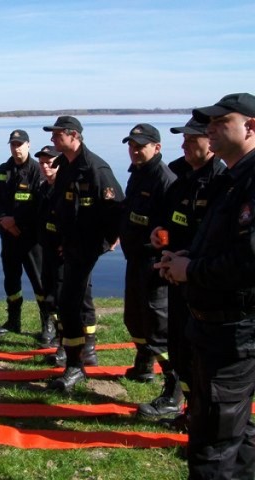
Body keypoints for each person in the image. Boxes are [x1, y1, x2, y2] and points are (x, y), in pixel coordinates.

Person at [157, 93, 255, 479]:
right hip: (213, 325)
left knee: (210, 446)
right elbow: (221, 242)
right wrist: (182, 257)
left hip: (234, 330)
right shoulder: (232, 177)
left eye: (220, 122)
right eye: (208, 124)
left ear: (250, 126)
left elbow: (249, 262)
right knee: (237, 432)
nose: (209, 130)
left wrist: (190, 270)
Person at [137, 118, 224, 424]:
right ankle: (185, 404)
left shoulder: (222, 181)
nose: (184, 145)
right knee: (179, 346)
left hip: (204, 283)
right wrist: (159, 232)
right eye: (183, 140)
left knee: (202, 354)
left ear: (210, 141)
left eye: (191, 139)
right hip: (175, 276)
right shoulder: (182, 176)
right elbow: (167, 216)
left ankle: (200, 414)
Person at [42, 116, 124, 392]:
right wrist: (65, 239)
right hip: (71, 244)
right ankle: (77, 359)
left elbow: (115, 209)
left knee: (70, 304)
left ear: (73, 135)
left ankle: (76, 365)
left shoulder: (96, 168)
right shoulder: (65, 164)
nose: (53, 139)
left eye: (57, 135)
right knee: (67, 303)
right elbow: (64, 206)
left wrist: (105, 242)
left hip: (87, 247)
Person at [119, 124, 176, 387]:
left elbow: (172, 226)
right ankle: (144, 364)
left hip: (154, 263)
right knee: (134, 317)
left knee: (157, 324)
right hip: (135, 258)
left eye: (140, 146)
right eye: (131, 146)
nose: (134, 151)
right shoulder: (138, 174)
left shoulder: (164, 179)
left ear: (157, 147)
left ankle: (173, 385)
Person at [0, 129, 44, 336]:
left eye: (20, 144)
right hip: (8, 235)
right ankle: (13, 321)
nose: (16, 148)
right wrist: (4, 219)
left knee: (39, 281)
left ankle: (47, 326)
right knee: (11, 279)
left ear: (28, 145)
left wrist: (16, 220)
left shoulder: (37, 170)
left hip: (31, 238)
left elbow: (39, 204)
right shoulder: (3, 170)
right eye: (13, 144)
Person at [34, 145, 62, 350]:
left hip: (64, 252)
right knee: (48, 293)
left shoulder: (66, 188)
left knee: (62, 297)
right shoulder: (43, 188)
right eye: (42, 163)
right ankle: (52, 329)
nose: (44, 167)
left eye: (49, 163)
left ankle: (65, 341)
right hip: (46, 249)